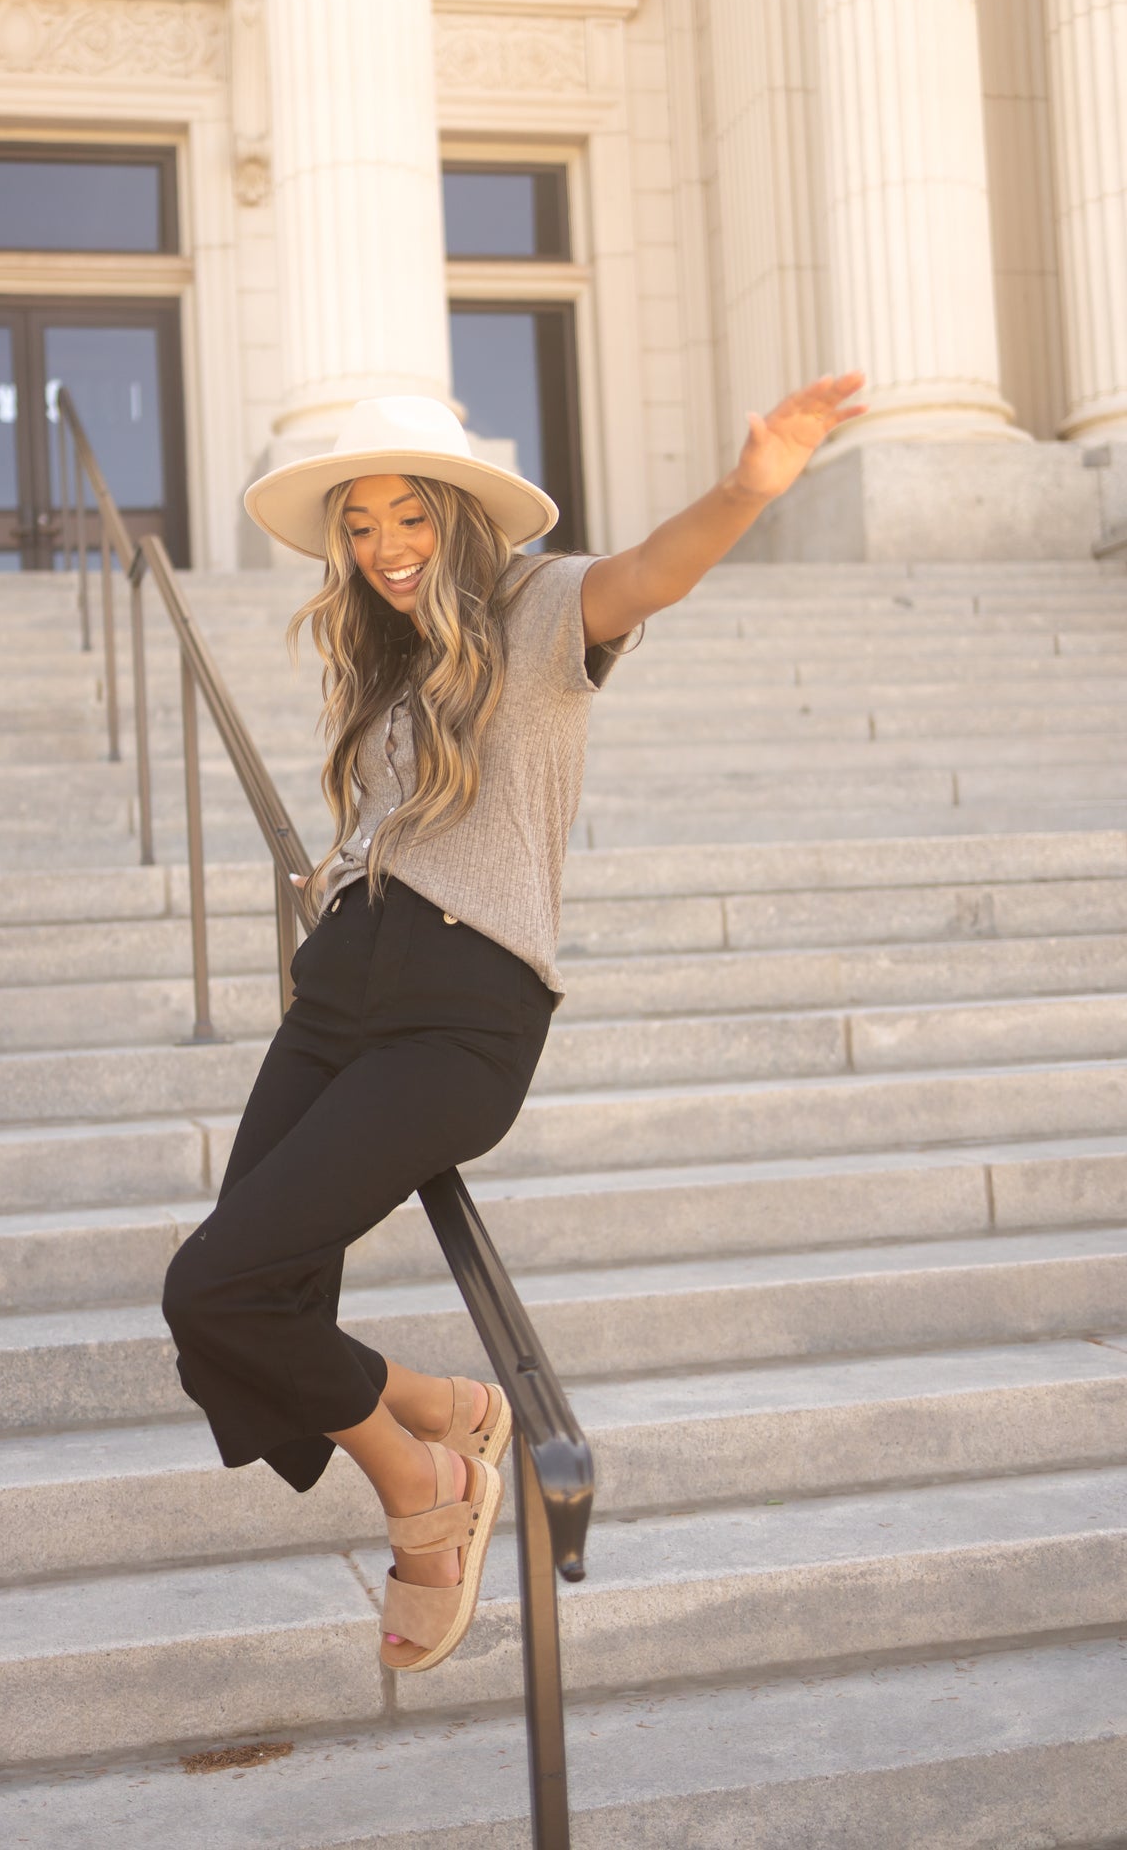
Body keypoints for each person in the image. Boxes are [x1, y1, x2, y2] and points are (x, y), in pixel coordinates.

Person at [162, 376, 865, 1672]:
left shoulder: (542, 610)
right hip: (339, 995)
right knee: (230, 1309)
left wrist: (749, 487)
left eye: (409, 515)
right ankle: (442, 1406)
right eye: (360, 523)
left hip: (458, 1011)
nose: (383, 545)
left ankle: (426, 1492)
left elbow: (651, 573)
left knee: (211, 1285)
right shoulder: (382, 664)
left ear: (461, 517)